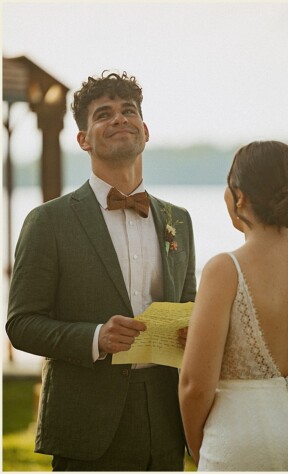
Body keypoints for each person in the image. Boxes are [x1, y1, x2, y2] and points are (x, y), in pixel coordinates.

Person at [5, 71, 194, 470]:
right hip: (84, 425)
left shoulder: (180, 220)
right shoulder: (48, 221)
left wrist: (193, 330)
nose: (120, 119)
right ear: (84, 139)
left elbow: (190, 303)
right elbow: (21, 324)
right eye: (103, 114)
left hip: (165, 421)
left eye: (129, 111)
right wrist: (96, 338)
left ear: (145, 129)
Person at [178, 141, 288, 470]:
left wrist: (200, 450)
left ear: (239, 197)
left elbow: (195, 386)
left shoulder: (225, 269)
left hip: (238, 443)